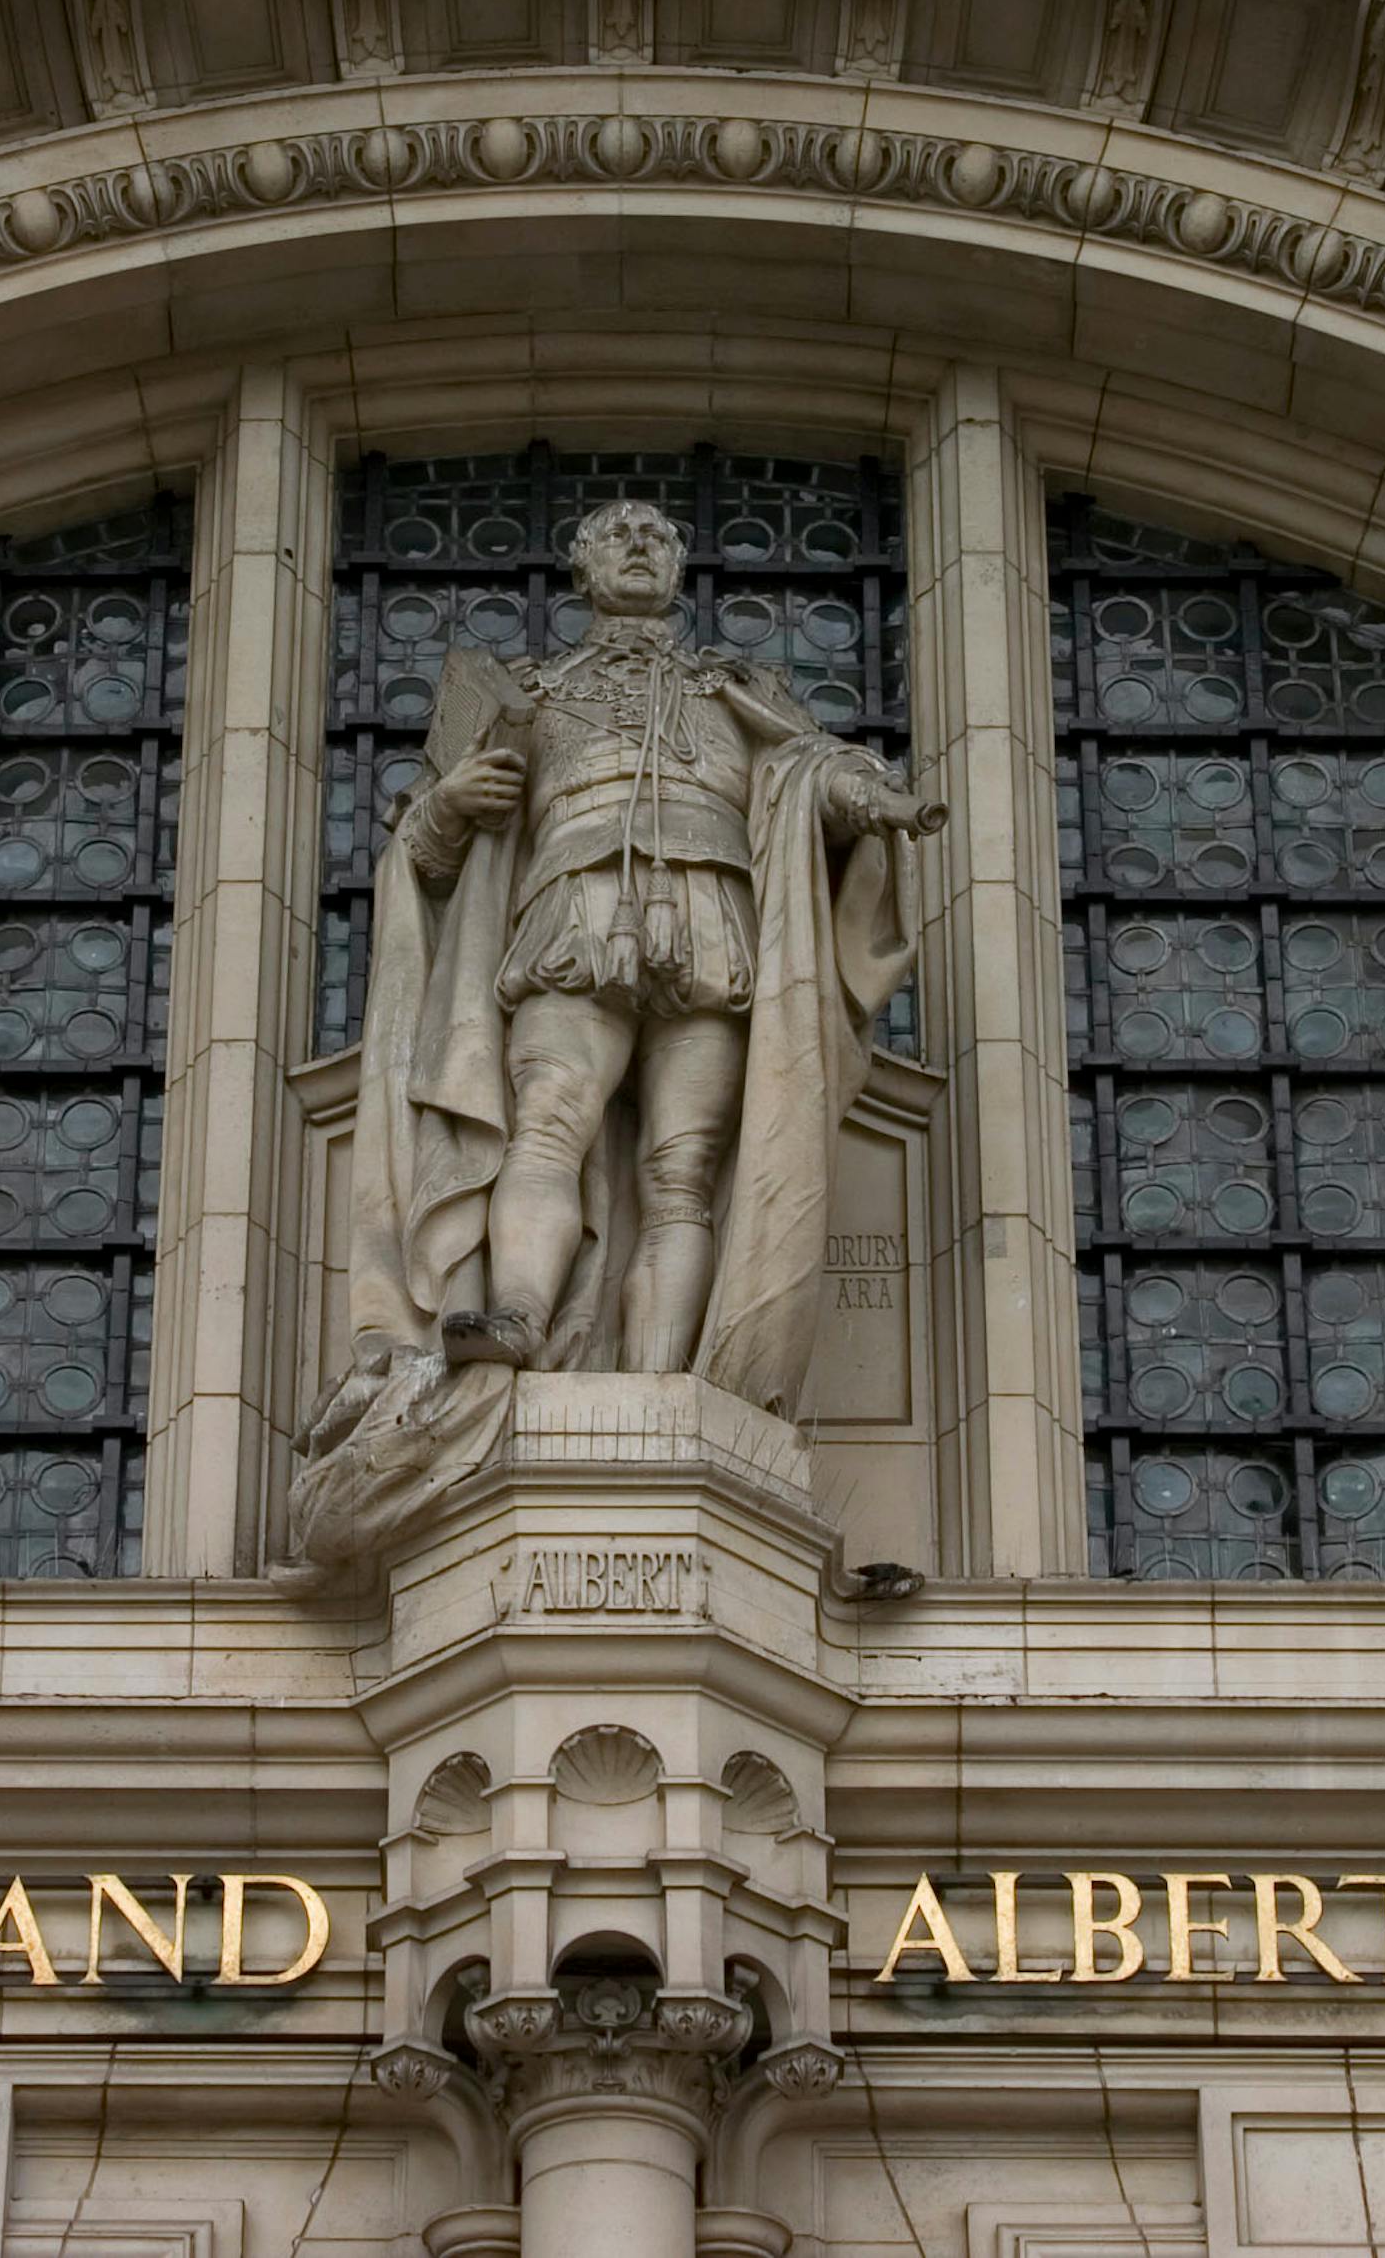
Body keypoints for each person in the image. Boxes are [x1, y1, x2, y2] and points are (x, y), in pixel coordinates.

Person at [276, 502, 938, 1592]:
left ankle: (662, 1384)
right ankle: (520, 1318)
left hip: (713, 910)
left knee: (681, 1168)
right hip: (570, 906)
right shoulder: (523, 694)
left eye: (655, 535)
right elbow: (430, 855)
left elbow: (805, 774)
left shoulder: (737, 686)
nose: (636, 545)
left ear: (677, 566)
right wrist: (447, 803)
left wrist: (862, 795)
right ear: (579, 564)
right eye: (613, 534)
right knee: (546, 1116)